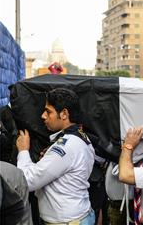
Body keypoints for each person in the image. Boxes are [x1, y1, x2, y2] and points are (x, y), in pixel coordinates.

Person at [16, 88, 95, 224]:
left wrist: (23, 151)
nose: (43, 116)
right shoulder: (79, 136)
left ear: (64, 114)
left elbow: (28, 181)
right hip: (77, 216)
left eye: (48, 111)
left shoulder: (65, 146)